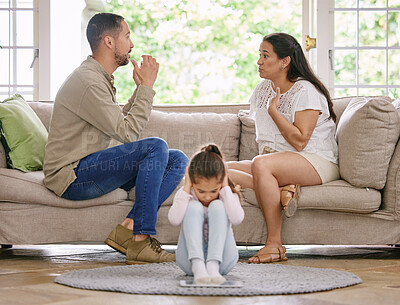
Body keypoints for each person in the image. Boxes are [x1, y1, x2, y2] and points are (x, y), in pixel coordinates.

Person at [43, 13, 188, 264]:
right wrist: (147, 89)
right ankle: (141, 239)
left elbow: (116, 124)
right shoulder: (89, 81)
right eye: (127, 36)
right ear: (109, 42)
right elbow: (128, 134)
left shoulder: (96, 76)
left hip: (88, 165)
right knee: (156, 147)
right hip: (72, 176)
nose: (131, 44)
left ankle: (129, 226)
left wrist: (138, 91)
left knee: (177, 159)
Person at [227, 33, 339, 264]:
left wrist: (274, 112)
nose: (259, 61)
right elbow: (267, 141)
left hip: (316, 159)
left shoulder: (304, 90)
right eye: (259, 55)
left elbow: (300, 141)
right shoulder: (262, 90)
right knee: (217, 169)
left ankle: (274, 245)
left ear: (284, 61)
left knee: (261, 164)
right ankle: (281, 188)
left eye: (265, 55)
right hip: (279, 163)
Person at [168, 144, 244, 284]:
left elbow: (237, 218)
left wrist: (226, 187)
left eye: (213, 191)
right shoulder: (187, 194)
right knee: (193, 207)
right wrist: (187, 187)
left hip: (223, 261)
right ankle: (199, 265)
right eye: (201, 191)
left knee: (217, 206)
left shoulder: (225, 194)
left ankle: (212, 265)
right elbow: (174, 219)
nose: (207, 197)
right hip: (190, 263)